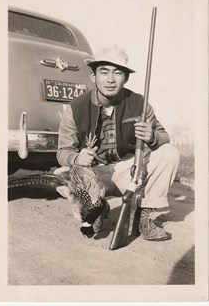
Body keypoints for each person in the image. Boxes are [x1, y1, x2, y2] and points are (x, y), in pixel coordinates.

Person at [57, 46, 179, 242]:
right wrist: (77, 158)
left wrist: (152, 137)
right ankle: (97, 207)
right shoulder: (75, 108)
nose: (110, 79)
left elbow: (164, 137)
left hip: (128, 172)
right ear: (93, 76)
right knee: (65, 175)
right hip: (93, 173)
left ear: (126, 78)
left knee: (169, 152)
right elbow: (63, 151)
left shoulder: (140, 103)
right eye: (104, 72)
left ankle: (143, 216)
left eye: (118, 73)